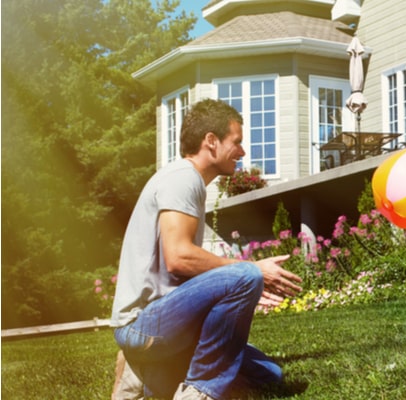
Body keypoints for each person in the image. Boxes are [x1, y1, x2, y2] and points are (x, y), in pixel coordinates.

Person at [110, 99, 303, 400]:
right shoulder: (182, 178)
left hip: (167, 320)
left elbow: (182, 275)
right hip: (142, 324)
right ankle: (197, 392)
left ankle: (151, 369)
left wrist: (238, 289)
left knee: (269, 375)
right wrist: (251, 274)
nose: (242, 152)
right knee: (246, 275)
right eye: (236, 142)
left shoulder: (189, 182)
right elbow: (179, 258)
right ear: (211, 141)